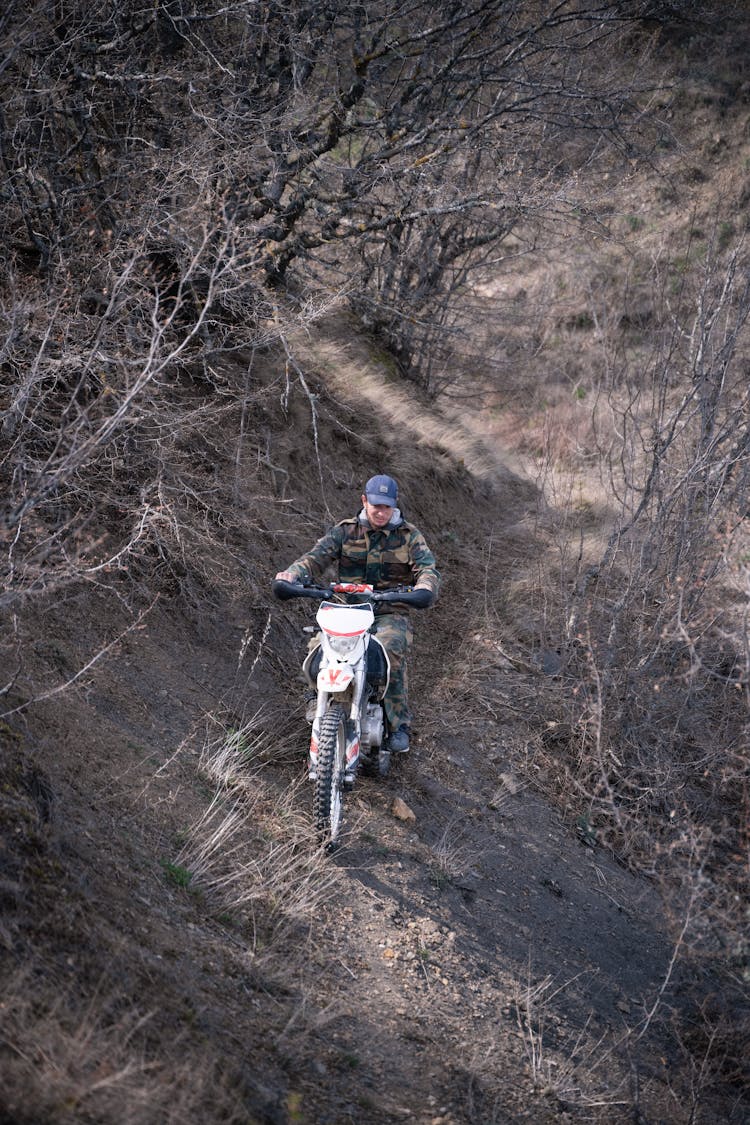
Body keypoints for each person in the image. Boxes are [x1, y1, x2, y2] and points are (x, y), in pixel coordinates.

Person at [275, 474, 440, 752]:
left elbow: (427, 569)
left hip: (388, 609)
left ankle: (397, 723)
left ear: (394, 505)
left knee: (389, 650)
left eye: (386, 506)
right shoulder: (345, 531)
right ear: (365, 500)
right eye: (375, 504)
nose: (380, 511)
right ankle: (317, 699)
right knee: (318, 647)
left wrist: (425, 586)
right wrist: (291, 575)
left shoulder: (409, 536)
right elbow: (315, 558)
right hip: (345, 608)